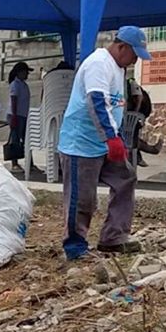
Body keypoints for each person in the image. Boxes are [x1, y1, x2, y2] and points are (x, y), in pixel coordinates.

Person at [58, 26, 149, 260]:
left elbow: (114, 107)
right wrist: (111, 138)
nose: (136, 60)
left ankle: (114, 237)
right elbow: (96, 102)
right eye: (134, 54)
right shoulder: (99, 64)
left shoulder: (119, 68)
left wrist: (117, 138)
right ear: (121, 47)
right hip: (81, 143)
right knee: (82, 198)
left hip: (104, 143)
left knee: (125, 178)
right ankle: (75, 247)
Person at [126, 77, 162, 167]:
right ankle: (144, 153)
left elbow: (139, 97)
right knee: (129, 137)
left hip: (139, 112)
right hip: (133, 114)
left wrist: (136, 112)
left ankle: (142, 155)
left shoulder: (130, 82)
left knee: (130, 136)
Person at [8, 62, 33, 171]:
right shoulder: (15, 84)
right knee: (15, 139)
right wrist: (14, 116)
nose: (27, 74)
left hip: (23, 114)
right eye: (25, 72)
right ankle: (14, 163)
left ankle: (30, 163)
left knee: (27, 139)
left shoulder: (24, 85)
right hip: (16, 114)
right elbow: (14, 100)